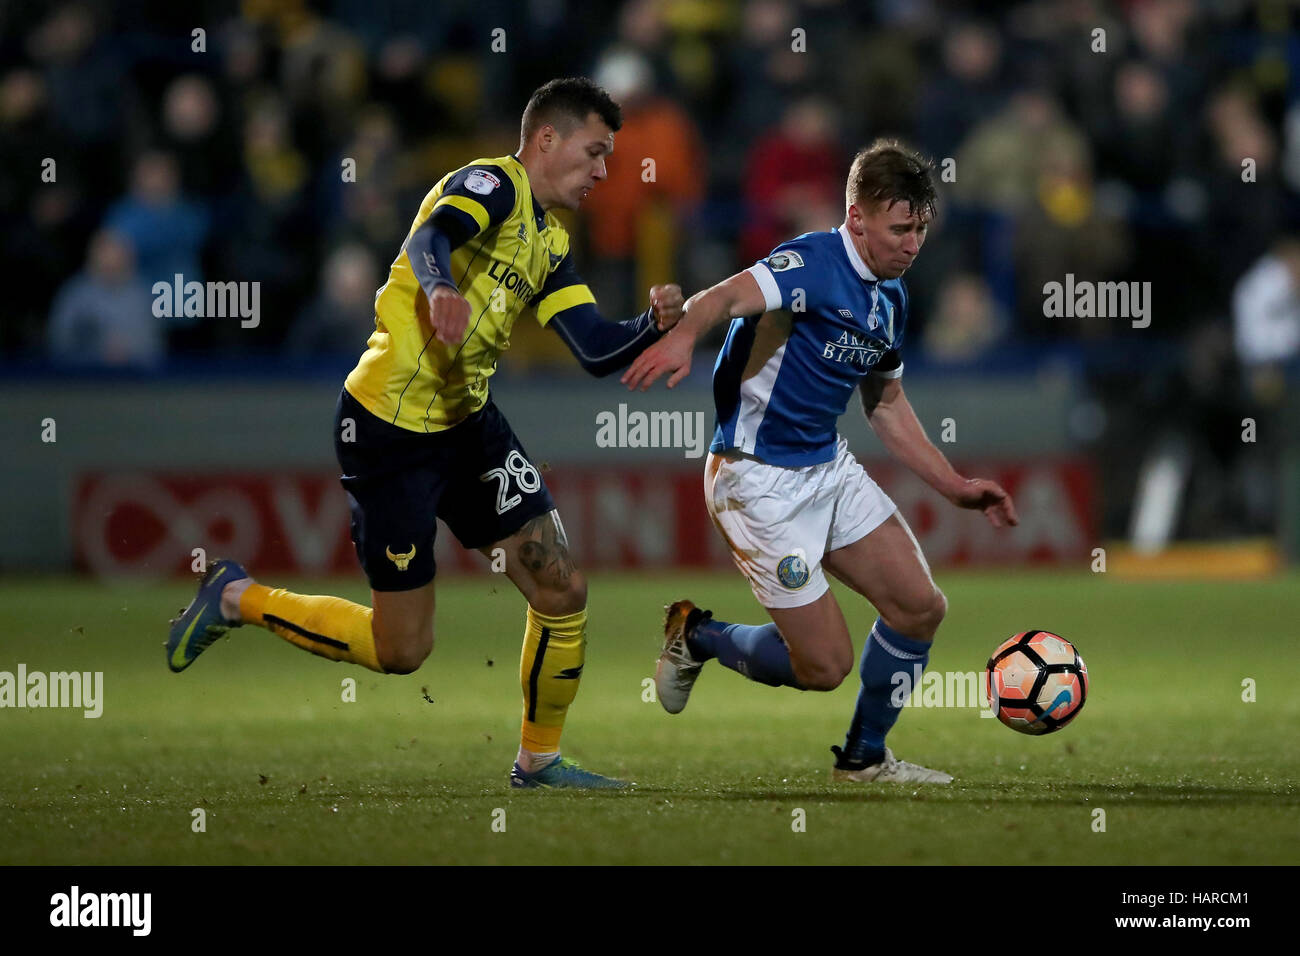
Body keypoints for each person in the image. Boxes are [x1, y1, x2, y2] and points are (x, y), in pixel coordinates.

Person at [167, 77, 684, 789]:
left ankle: (538, 761)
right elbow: (430, 235)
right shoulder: (492, 185)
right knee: (401, 648)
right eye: (595, 152)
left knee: (562, 590)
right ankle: (234, 596)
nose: (604, 171)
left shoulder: (549, 241)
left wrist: (650, 327)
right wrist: (440, 287)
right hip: (389, 429)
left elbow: (593, 346)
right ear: (546, 141)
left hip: (469, 424)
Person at [622, 139, 1018, 784]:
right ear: (857, 217)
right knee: (823, 668)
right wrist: (685, 338)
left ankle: (863, 759)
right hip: (756, 480)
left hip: (826, 468)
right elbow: (723, 297)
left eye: (920, 229)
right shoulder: (809, 262)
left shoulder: (890, 297)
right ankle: (698, 636)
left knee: (920, 607)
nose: (912, 245)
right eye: (899, 229)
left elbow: (884, 402)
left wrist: (953, 486)